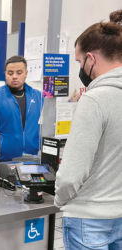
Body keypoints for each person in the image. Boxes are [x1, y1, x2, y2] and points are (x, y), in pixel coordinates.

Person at [54, 10, 122, 249]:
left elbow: (71, 175)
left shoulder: (95, 99)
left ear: (90, 59)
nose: (80, 68)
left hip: (89, 219)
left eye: (78, 61)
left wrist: (61, 201)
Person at [0, 56, 42, 162]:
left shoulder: (39, 97)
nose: (14, 77)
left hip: (32, 160)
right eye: (10, 73)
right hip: (2, 161)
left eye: (19, 73)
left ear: (26, 73)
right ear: (5, 74)